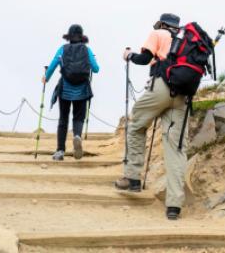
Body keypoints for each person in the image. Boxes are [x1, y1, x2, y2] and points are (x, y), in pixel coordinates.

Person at [115, 13, 188, 220]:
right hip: (182, 95)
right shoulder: (185, 40)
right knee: (176, 147)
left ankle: (132, 178)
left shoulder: (158, 33)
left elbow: (144, 59)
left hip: (161, 87)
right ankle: (174, 206)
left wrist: (129, 55)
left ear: (162, 24)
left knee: (137, 125)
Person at [42, 24, 99, 161]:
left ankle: (60, 151)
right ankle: (77, 136)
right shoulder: (87, 50)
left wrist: (46, 78)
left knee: (63, 119)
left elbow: (53, 64)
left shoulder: (62, 49)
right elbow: (96, 69)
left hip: (65, 89)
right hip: (82, 90)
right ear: (81, 37)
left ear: (69, 37)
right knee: (78, 118)